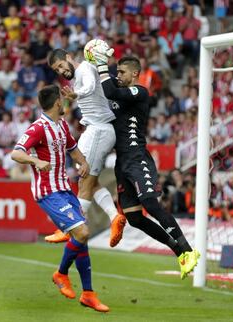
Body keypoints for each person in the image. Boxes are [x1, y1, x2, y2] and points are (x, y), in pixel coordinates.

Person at [91, 48, 199, 279]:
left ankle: (188, 251)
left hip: (137, 156)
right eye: (116, 71)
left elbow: (109, 89)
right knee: (134, 218)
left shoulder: (140, 92)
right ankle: (179, 252)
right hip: (122, 162)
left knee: (150, 203)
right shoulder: (119, 98)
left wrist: (102, 65)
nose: (117, 75)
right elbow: (105, 95)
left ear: (135, 73)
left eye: (121, 71)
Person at [11, 85, 109, 312]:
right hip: (47, 191)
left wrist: (83, 162)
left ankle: (88, 294)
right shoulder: (38, 128)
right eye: (62, 100)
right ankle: (61, 273)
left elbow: (73, 148)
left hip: (64, 188)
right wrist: (35, 162)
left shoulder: (62, 125)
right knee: (82, 232)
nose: (65, 103)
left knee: (82, 238)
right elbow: (16, 152)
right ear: (57, 103)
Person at [46, 48, 126, 247]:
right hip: (93, 130)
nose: (62, 72)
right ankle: (114, 217)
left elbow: (90, 86)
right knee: (89, 180)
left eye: (61, 66)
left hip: (98, 130)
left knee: (85, 183)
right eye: (57, 70)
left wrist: (76, 94)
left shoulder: (85, 69)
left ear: (67, 58)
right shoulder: (76, 77)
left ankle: (70, 227)